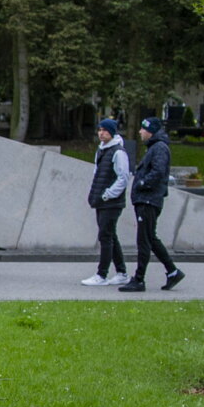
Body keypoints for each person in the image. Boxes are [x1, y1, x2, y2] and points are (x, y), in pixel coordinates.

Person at [121, 117, 186, 293]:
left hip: (148, 200)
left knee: (144, 240)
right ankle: (172, 271)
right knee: (151, 238)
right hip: (147, 199)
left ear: (151, 131)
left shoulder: (159, 148)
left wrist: (142, 184)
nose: (140, 132)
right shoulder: (155, 147)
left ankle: (139, 279)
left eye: (143, 129)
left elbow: (158, 172)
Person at [81, 118, 132, 287]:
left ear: (112, 132)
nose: (101, 133)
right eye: (99, 130)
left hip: (111, 202)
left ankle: (102, 274)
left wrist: (107, 194)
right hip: (102, 200)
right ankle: (122, 272)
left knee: (105, 236)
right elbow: (97, 175)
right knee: (110, 235)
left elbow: (123, 178)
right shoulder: (101, 151)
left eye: (105, 130)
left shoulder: (118, 152)